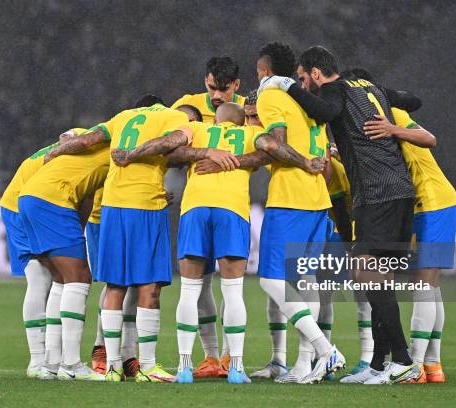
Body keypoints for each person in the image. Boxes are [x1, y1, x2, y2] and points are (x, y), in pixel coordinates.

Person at [259, 46, 423, 384]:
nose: (305, 86)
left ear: (316, 74)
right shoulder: (368, 87)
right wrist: (391, 124)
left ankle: (403, 360)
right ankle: (379, 363)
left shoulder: (335, 90)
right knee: (380, 281)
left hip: (377, 194)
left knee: (369, 277)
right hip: (399, 190)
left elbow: (325, 109)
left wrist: (282, 84)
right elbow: (412, 100)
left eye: (305, 79)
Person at [47, 97, 198, 383]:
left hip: (112, 207)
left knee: (115, 286)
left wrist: (56, 152)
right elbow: (171, 142)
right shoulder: (174, 117)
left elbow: (89, 140)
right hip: (145, 204)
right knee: (149, 286)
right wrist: (134, 155)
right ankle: (149, 366)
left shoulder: (123, 116)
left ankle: (113, 366)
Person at [253, 42, 346, 384]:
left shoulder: (270, 96)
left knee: (271, 279)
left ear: (264, 71)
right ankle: (304, 365)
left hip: (290, 198)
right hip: (319, 202)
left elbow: (277, 143)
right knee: (304, 282)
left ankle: (325, 350)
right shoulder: (308, 100)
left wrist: (261, 144)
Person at [167, 102, 265, 384]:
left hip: (195, 209)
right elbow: (270, 149)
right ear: (241, 121)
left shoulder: (198, 128)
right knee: (233, 291)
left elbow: (171, 148)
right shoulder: (249, 133)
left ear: (216, 120)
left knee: (188, 290)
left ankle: (184, 368)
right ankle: (235, 368)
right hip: (232, 210)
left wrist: (204, 153)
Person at [363, 104, 456, 383]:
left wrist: (393, 128)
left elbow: (430, 138)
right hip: (422, 203)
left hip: (434, 201)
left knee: (424, 283)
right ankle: (432, 366)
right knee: (431, 285)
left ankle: (413, 365)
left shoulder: (393, 114)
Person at [17, 126, 110, 381]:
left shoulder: (91, 151)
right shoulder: (115, 148)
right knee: (79, 277)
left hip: (30, 197)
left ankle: (50, 363)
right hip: (53, 200)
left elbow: (87, 196)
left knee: (60, 279)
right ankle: (71, 364)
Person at [0, 128, 81, 378]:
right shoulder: (88, 145)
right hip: (21, 206)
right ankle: (38, 359)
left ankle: (46, 359)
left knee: (49, 278)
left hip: (22, 202)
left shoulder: (78, 140)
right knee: (41, 278)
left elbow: (65, 136)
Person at [171, 57, 246, 124]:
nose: (217, 95)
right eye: (212, 88)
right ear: (206, 81)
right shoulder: (186, 104)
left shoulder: (249, 110)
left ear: (236, 84)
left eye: (223, 89)